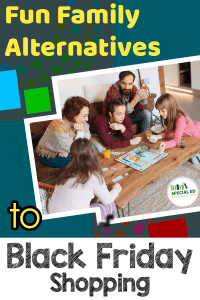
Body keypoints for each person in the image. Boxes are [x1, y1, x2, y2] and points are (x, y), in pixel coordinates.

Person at [47, 138, 122, 219]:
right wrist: (116, 190)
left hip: (52, 214)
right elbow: (107, 200)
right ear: (93, 154)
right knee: (110, 205)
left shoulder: (65, 172)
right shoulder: (94, 176)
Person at [36, 96, 91, 168]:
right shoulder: (58, 129)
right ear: (73, 114)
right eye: (84, 116)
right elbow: (76, 150)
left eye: (87, 115)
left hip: (69, 148)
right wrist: (80, 132)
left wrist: (67, 151)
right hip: (50, 154)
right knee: (76, 159)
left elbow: (87, 138)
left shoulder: (80, 121)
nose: (86, 119)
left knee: (91, 149)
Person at [149, 93, 200, 164]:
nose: (160, 113)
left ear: (171, 109)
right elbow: (170, 131)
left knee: (195, 161)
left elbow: (176, 140)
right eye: (159, 111)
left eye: (163, 111)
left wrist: (165, 145)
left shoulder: (180, 119)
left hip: (197, 135)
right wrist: (157, 136)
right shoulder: (172, 116)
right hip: (192, 129)